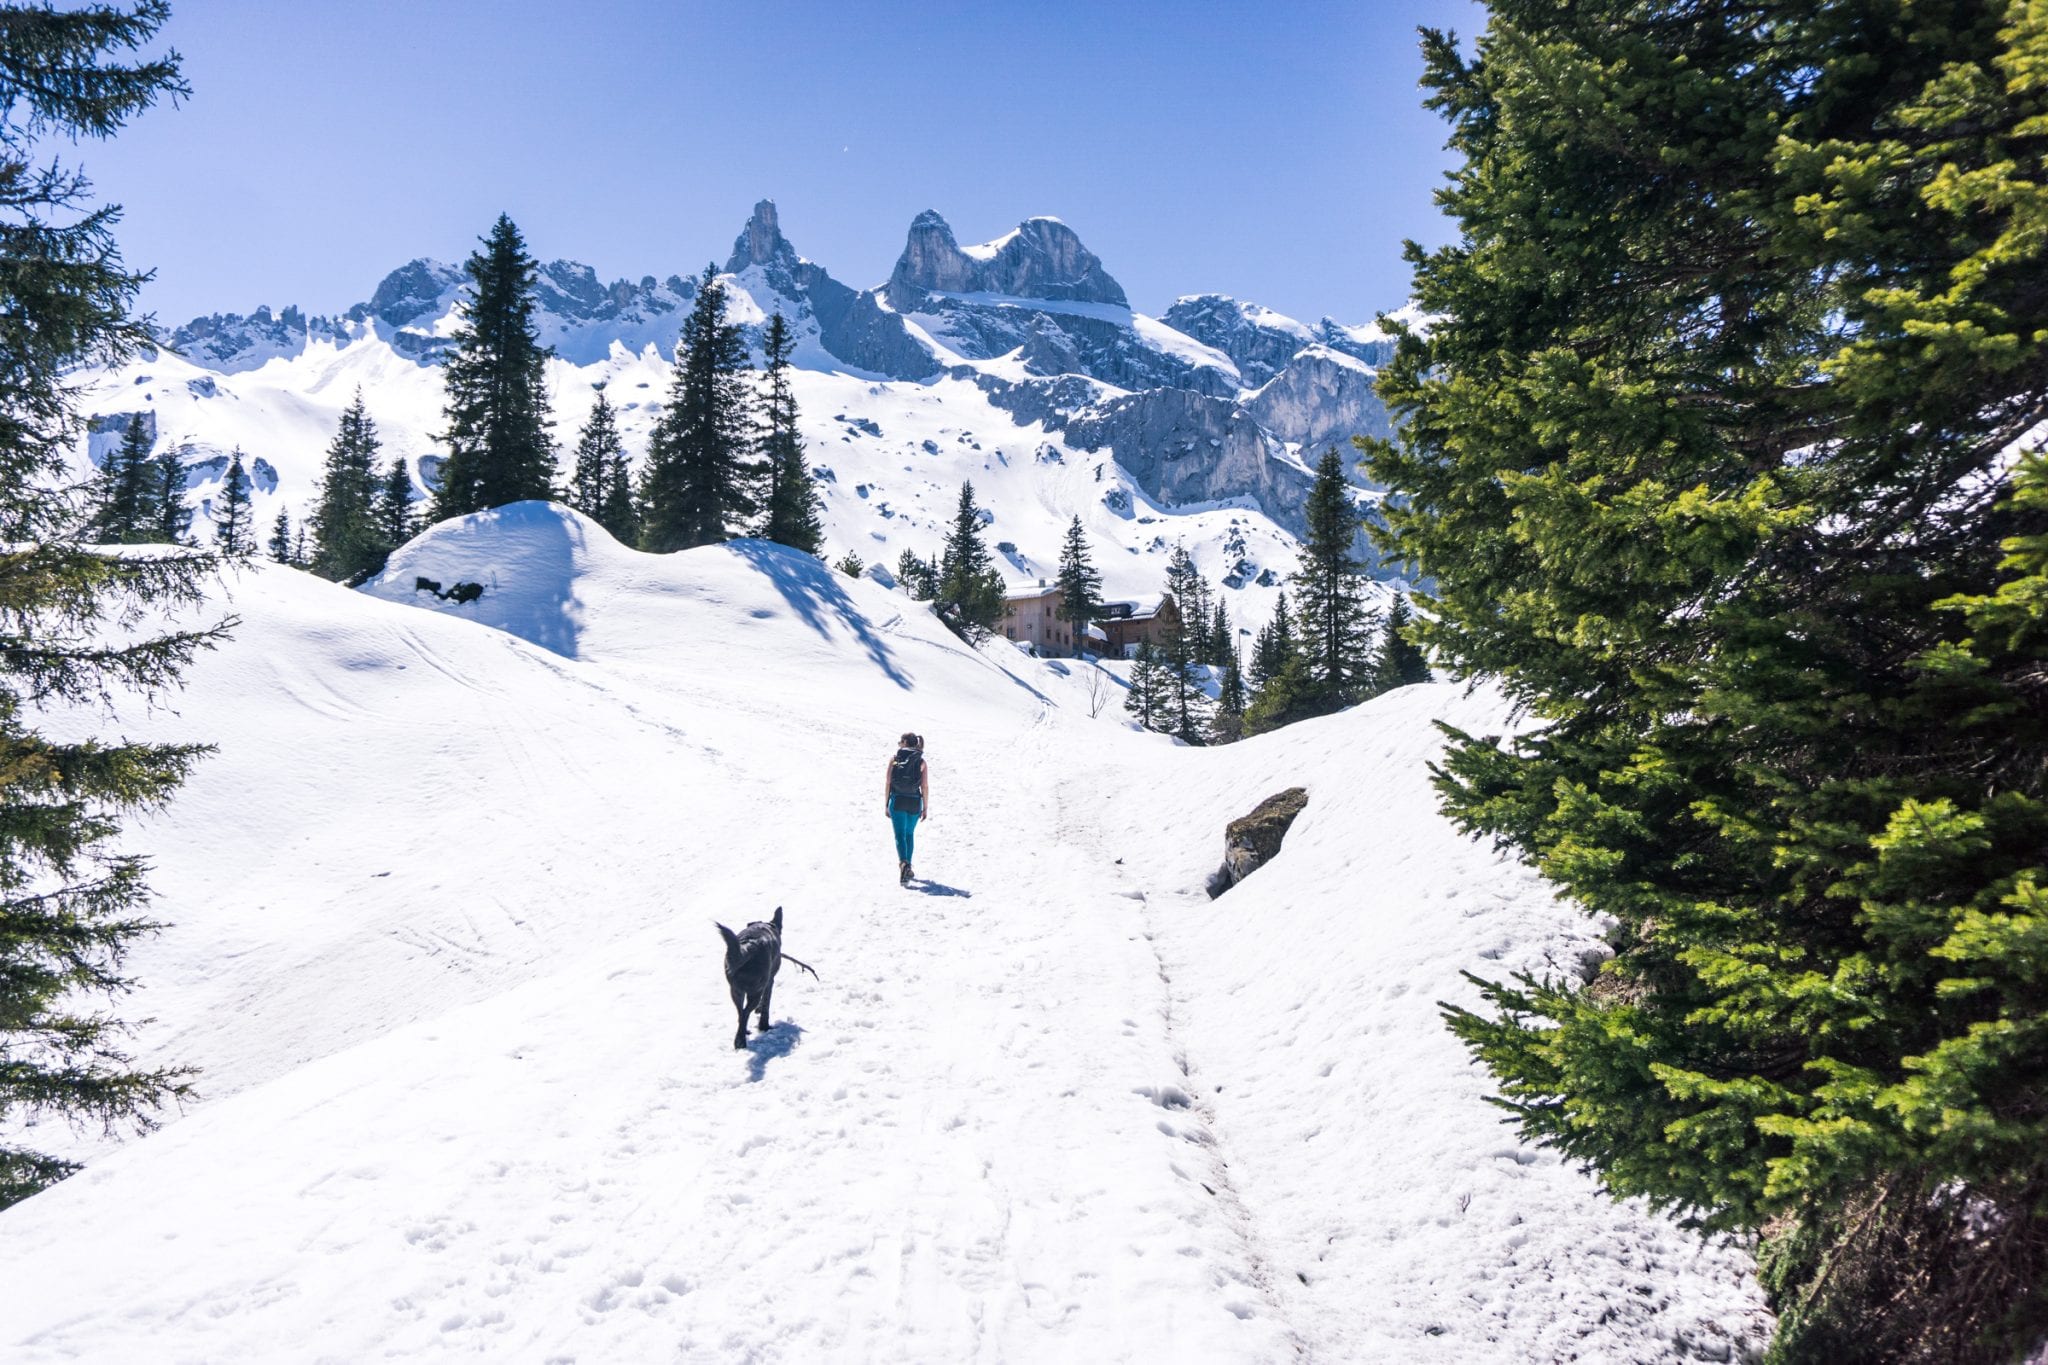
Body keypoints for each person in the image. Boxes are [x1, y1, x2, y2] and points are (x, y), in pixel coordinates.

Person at [884, 731, 929, 885]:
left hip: (897, 800)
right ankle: (907, 867)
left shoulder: (895, 759)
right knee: (909, 834)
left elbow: (888, 782)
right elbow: (924, 786)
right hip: (915, 802)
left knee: (899, 835)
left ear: (904, 743)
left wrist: (885, 804)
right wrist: (925, 807)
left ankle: (904, 864)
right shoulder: (921, 761)